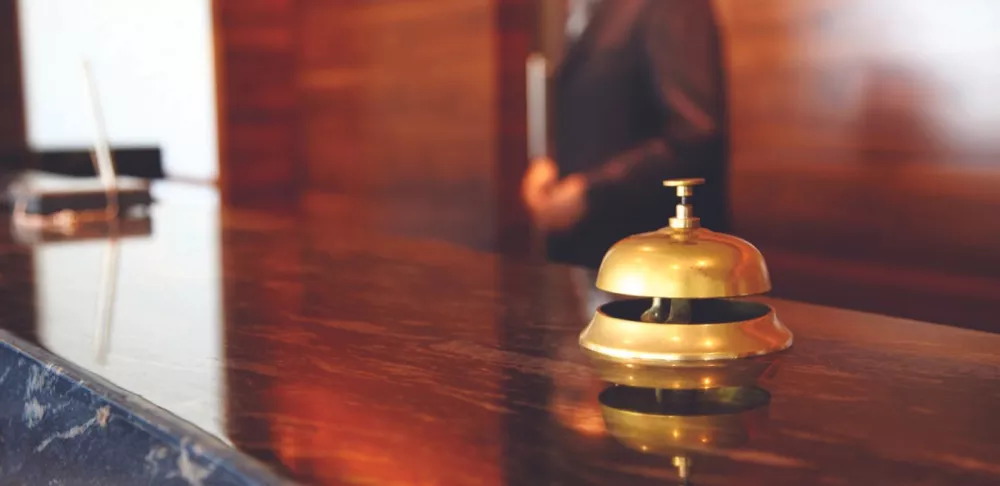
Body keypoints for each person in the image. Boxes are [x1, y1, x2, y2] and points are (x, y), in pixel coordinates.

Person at [522, 0, 730, 270]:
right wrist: (549, 161)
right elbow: (594, 111)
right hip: (590, 258)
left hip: (657, 267)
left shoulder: (673, 6)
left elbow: (695, 135)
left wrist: (590, 193)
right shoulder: (581, 10)